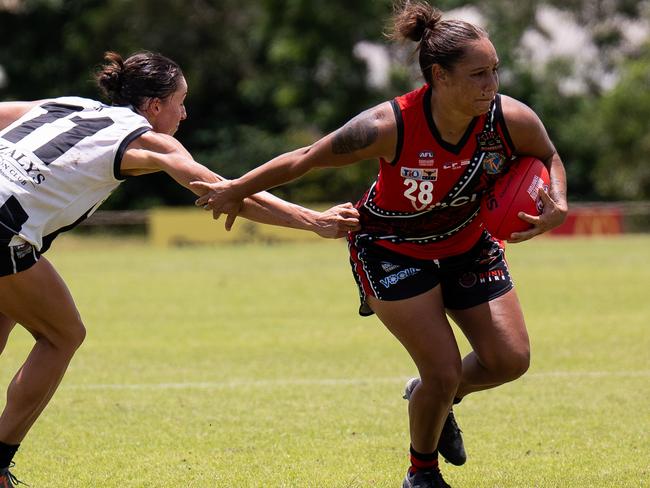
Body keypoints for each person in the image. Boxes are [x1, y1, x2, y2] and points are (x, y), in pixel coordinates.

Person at [194, 2, 568, 487]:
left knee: (509, 361)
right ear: (439, 75)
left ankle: (432, 397)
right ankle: (422, 472)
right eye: (478, 75)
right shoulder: (388, 126)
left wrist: (557, 202)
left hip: (468, 244)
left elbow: (548, 155)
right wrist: (236, 188)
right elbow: (305, 158)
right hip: (392, 247)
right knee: (443, 369)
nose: (491, 85)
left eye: (495, 71)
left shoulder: (508, 119)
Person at [0, 51, 359, 486]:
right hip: (5, 230)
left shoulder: (66, 105)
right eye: (180, 101)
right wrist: (313, 220)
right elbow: (221, 190)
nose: (184, 113)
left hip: (13, 233)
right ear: (154, 106)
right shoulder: (147, 139)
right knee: (62, 335)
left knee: (10, 311)